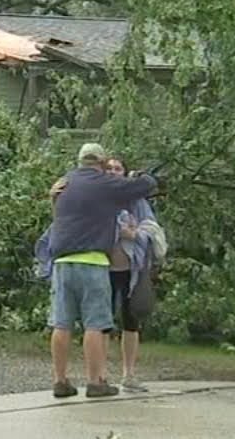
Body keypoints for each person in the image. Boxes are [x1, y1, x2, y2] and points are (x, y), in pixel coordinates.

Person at [43, 143, 158, 399]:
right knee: (94, 324)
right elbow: (147, 185)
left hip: (62, 262)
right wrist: (141, 175)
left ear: (80, 160)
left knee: (61, 323)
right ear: (102, 162)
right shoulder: (105, 183)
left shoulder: (65, 184)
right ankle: (96, 382)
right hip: (93, 261)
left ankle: (60, 381)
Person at [102, 157, 159, 393]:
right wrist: (117, 230)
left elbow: (151, 229)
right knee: (101, 322)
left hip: (131, 269)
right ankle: (100, 375)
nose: (114, 172)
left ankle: (129, 374)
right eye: (109, 169)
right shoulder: (99, 197)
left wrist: (134, 234)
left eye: (118, 169)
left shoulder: (137, 200)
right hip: (103, 268)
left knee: (131, 320)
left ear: (125, 173)